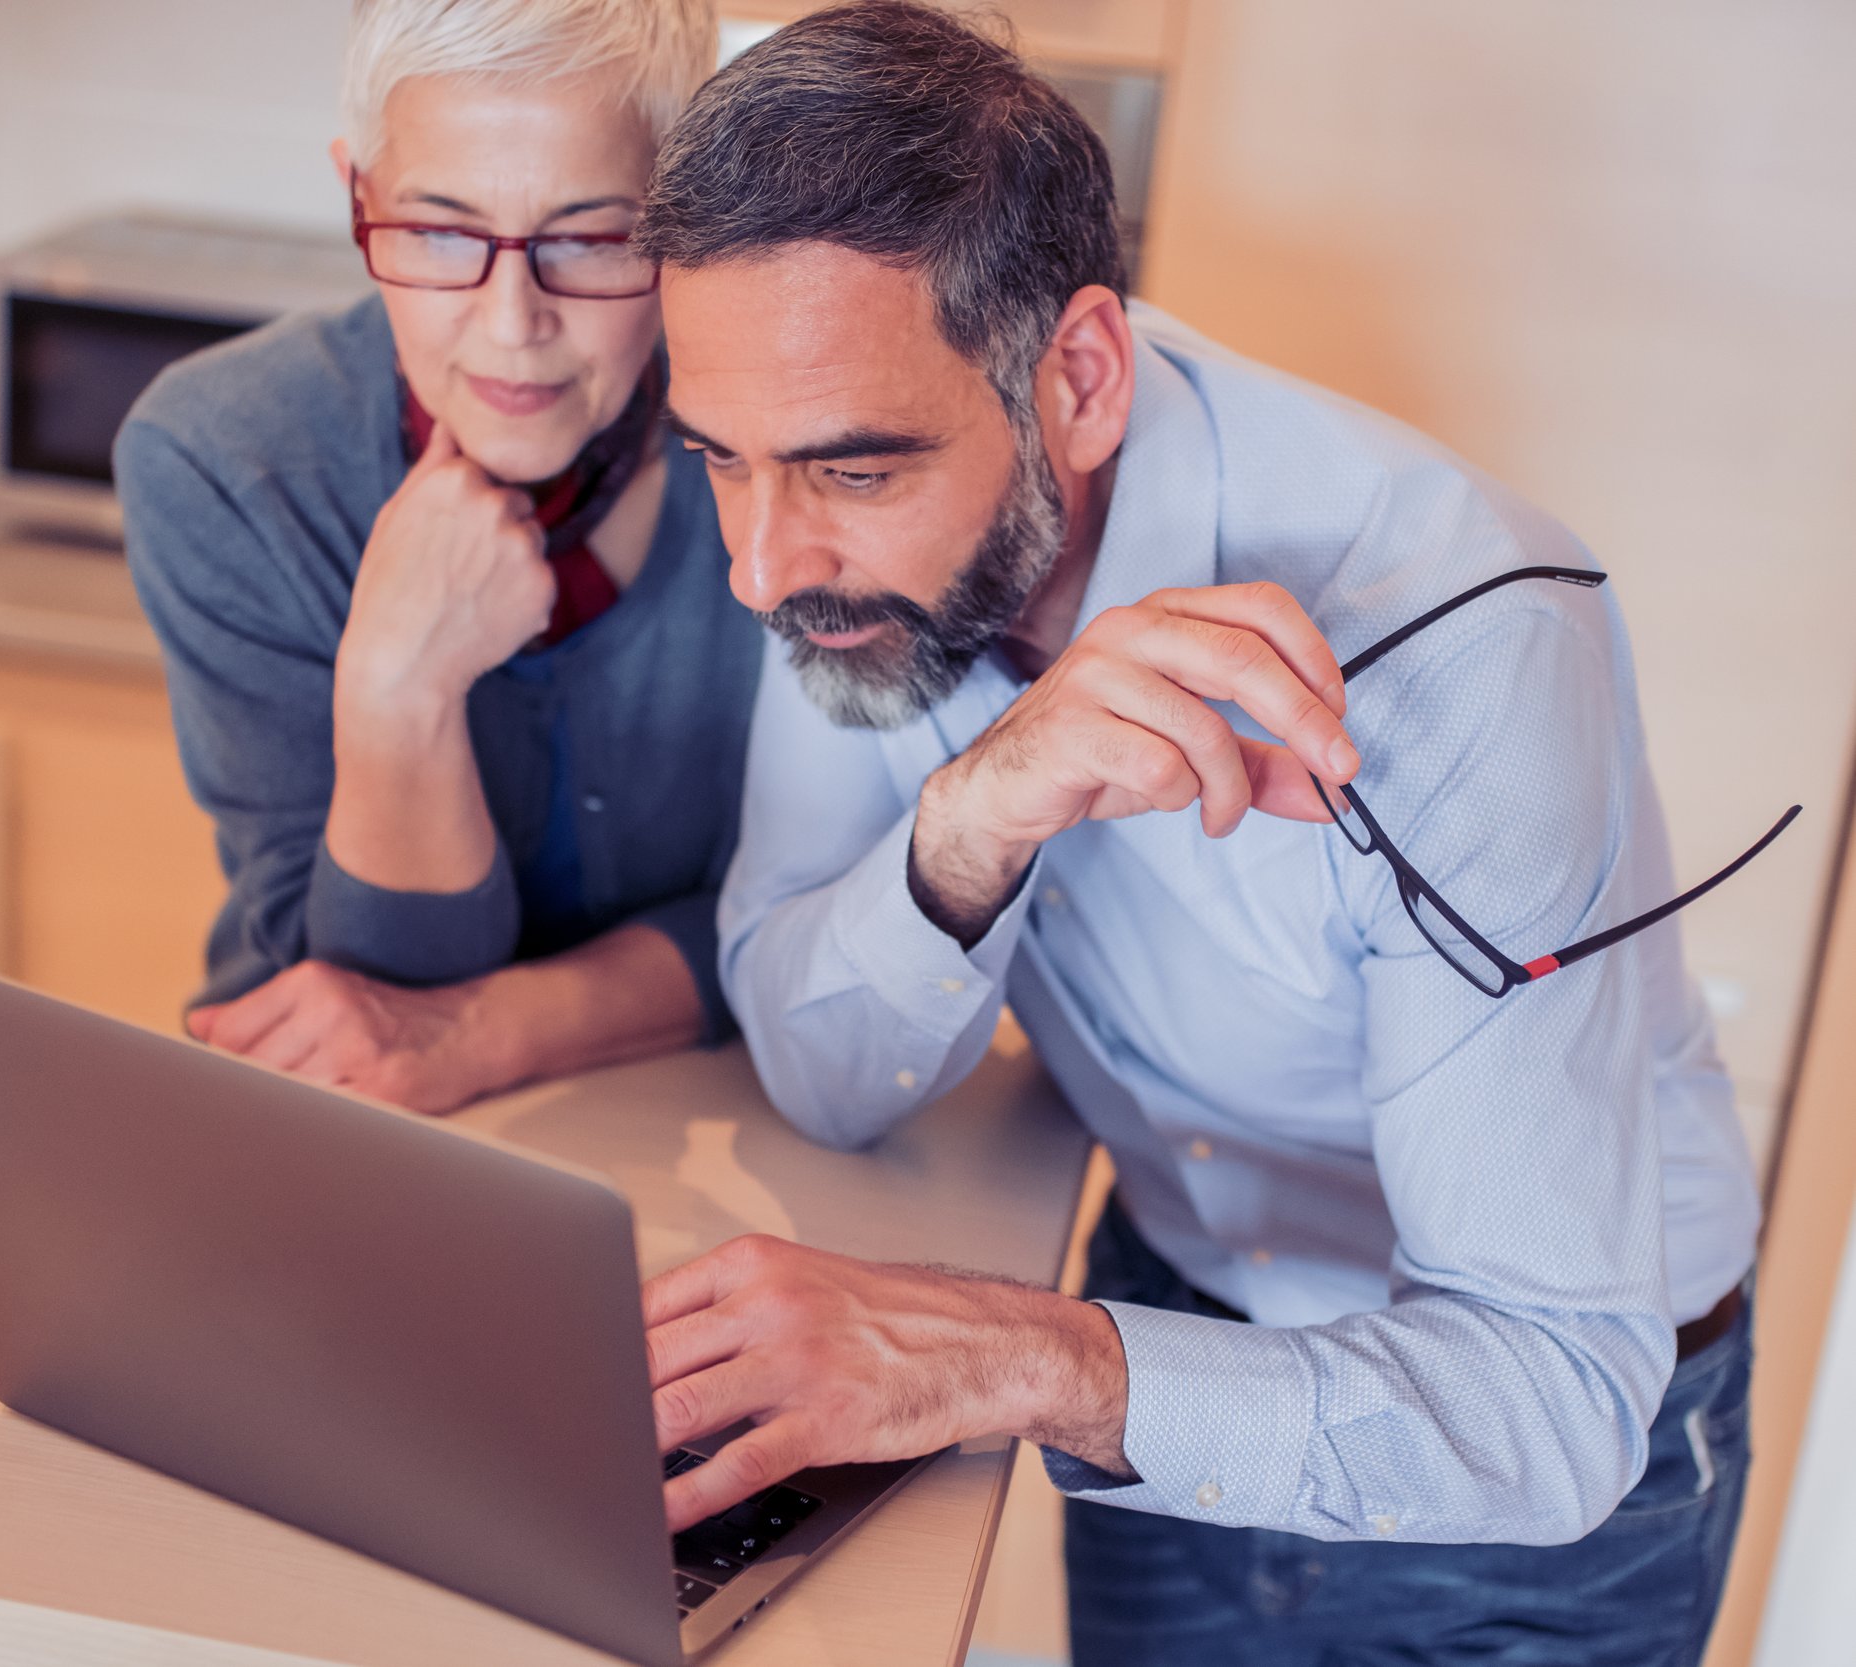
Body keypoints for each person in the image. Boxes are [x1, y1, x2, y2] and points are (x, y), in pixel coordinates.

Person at [628, 6, 1776, 1662]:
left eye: (851, 472)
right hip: (1167, 1314)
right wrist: (971, 819)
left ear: (1077, 378)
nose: (758, 564)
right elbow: (817, 1065)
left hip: (1543, 1486)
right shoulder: (827, 538)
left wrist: (1007, 1355)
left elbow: (1548, 1404)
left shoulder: (1461, 640)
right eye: (719, 459)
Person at [118, 0, 759, 1115]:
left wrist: (494, 1029)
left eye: (594, 238)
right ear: (357, 198)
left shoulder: (780, 451)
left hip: (719, 1125)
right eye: (439, 231)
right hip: (343, 1129)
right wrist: (396, 686)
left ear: (685, 221)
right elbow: (351, 999)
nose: (511, 325)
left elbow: (811, 912)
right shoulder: (224, 454)